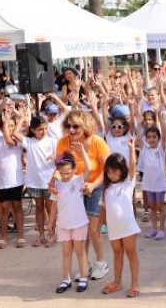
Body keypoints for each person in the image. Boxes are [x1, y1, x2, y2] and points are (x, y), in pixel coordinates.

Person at [55, 110, 111, 280]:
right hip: (73, 189)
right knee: (81, 230)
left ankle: (101, 263)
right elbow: (59, 168)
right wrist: (55, 183)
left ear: (85, 127)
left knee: (93, 229)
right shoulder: (63, 143)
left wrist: (93, 185)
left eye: (75, 127)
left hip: (95, 186)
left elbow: (108, 169)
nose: (71, 130)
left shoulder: (97, 142)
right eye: (68, 126)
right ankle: (84, 264)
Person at [99, 137, 141, 298]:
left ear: (122, 171)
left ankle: (135, 283)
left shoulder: (128, 183)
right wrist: (98, 227)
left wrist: (131, 149)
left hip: (128, 226)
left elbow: (133, 166)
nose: (111, 174)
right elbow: (103, 209)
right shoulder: (106, 188)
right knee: (117, 253)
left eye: (115, 171)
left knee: (131, 253)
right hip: (113, 227)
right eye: (109, 171)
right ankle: (117, 282)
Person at [47, 149, 91, 294]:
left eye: (68, 173)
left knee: (80, 251)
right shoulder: (57, 185)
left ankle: (83, 277)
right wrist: (50, 224)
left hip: (79, 223)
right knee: (66, 252)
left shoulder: (78, 180)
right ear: (58, 171)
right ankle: (66, 279)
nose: (66, 176)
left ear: (74, 170)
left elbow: (89, 167)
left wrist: (82, 150)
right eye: (62, 173)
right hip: (63, 225)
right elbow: (54, 206)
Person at [13, 115, 57, 248]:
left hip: (49, 181)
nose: (43, 132)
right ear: (33, 129)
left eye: (45, 129)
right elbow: (15, 133)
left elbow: (60, 156)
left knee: (50, 208)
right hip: (34, 182)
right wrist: (21, 118)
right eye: (39, 129)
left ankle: (52, 235)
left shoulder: (52, 141)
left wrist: (55, 156)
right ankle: (41, 236)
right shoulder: (28, 141)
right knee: (39, 208)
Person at [0, 110, 25, 249]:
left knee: (17, 206)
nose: (10, 127)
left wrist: (9, 119)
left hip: (16, 180)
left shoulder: (17, 140)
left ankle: (20, 236)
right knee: (4, 208)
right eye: (7, 125)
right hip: (1, 181)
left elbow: (8, 140)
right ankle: (4, 237)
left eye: (12, 125)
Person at [137, 124, 166, 241]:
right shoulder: (145, 149)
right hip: (148, 184)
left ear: (158, 138)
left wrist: (160, 118)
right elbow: (140, 138)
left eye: (154, 137)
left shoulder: (161, 149)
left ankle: (162, 229)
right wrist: (140, 120)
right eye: (149, 137)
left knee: (160, 207)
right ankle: (154, 228)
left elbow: (165, 135)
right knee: (153, 207)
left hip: (160, 184)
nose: (151, 139)